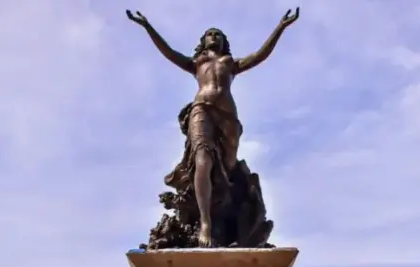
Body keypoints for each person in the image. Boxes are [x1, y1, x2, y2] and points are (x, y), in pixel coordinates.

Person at [126, 8, 300, 246]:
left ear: (224, 42)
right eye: (210, 34)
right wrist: (148, 27)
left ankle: (226, 220)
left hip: (227, 116)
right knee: (203, 161)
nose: (214, 36)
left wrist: (280, 27)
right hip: (202, 110)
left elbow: (260, 55)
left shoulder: (230, 63)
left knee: (227, 170)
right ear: (203, 41)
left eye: (218, 34)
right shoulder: (197, 62)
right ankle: (205, 224)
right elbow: (168, 53)